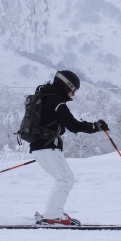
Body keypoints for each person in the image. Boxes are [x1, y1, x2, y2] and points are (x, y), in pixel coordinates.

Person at [30, 70, 109, 226]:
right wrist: (96, 126)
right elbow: (72, 125)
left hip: (39, 146)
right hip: (47, 146)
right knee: (65, 179)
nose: (74, 94)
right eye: (74, 90)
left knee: (63, 179)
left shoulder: (45, 97)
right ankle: (53, 216)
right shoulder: (56, 101)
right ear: (67, 86)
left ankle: (53, 213)